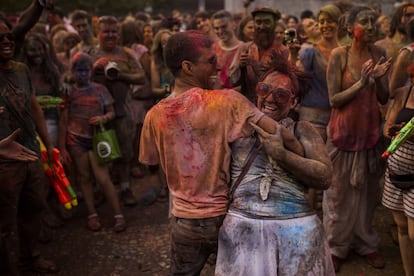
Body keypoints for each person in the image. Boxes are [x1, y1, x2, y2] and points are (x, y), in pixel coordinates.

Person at [139, 30, 304, 276]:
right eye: (210, 61)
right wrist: (302, 160)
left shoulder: (154, 115)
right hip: (227, 218)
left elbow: (149, 162)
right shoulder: (227, 101)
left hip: (184, 221)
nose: (218, 67)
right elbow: (282, 135)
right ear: (187, 67)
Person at [215, 50, 334, 276]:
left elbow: (325, 176)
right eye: (264, 90)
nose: (269, 99)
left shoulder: (303, 129)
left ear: (294, 101)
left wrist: (282, 155)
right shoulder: (238, 127)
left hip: (296, 225)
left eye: (280, 94)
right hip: (243, 223)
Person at [324, 6, 392, 272]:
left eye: (373, 22)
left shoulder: (379, 54)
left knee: (366, 195)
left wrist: (380, 80)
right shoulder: (339, 56)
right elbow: (334, 100)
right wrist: (361, 83)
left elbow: (384, 97)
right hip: (342, 135)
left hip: (370, 135)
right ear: (350, 27)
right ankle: (336, 247)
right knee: (338, 196)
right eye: (365, 22)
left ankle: (366, 244)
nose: (372, 27)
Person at [0, 14, 59, 275]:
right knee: (3, 224)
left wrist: (47, 144)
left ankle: (30, 258)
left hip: (31, 152)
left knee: (35, 207)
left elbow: (34, 106)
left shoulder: (21, 69)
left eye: (8, 35)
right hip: (3, 162)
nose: (6, 40)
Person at [59, 52, 126, 232]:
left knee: (103, 178)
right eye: (79, 70)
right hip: (75, 139)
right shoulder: (68, 92)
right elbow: (64, 120)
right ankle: (92, 215)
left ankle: (118, 215)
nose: (82, 74)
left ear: (91, 71)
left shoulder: (100, 89)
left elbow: (112, 112)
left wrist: (102, 118)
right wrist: (62, 146)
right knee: (84, 178)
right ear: (73, 71)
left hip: (97, 140)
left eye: (86, 70)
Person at [90, 15, 146, 206]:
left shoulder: (127, 54)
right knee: (99, 152)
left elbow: (141, 77)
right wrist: (93, 68)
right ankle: (101, 189)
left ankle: (125, 188)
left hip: (123, 112)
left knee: (125, 152)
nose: (110, 35)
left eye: (114, 31)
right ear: (98, 32)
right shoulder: (89, 53)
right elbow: (74, 78)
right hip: (96, 114)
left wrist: (121, 75)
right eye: (106, 31)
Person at [382, 23, 414, 276]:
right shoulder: (404, 92)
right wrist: (393, 131)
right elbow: (388, 128)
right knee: (402, 229)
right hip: (395, 171)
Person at [229, 6, 289, 104]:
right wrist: (240, 67)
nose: (262, 26)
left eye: (267, 22)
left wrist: (254, 64)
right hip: (248, 105)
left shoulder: (283, 51)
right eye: (258, 22)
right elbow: (232, 79)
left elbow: (282, 86)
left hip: (272, 107)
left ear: (274, 23)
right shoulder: (246, 48)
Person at [211, 10, 242, 89]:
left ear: (233, 25)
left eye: (224, 27)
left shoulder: (245, 49)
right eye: (216, 28)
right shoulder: (211, 49)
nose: (220, 31)